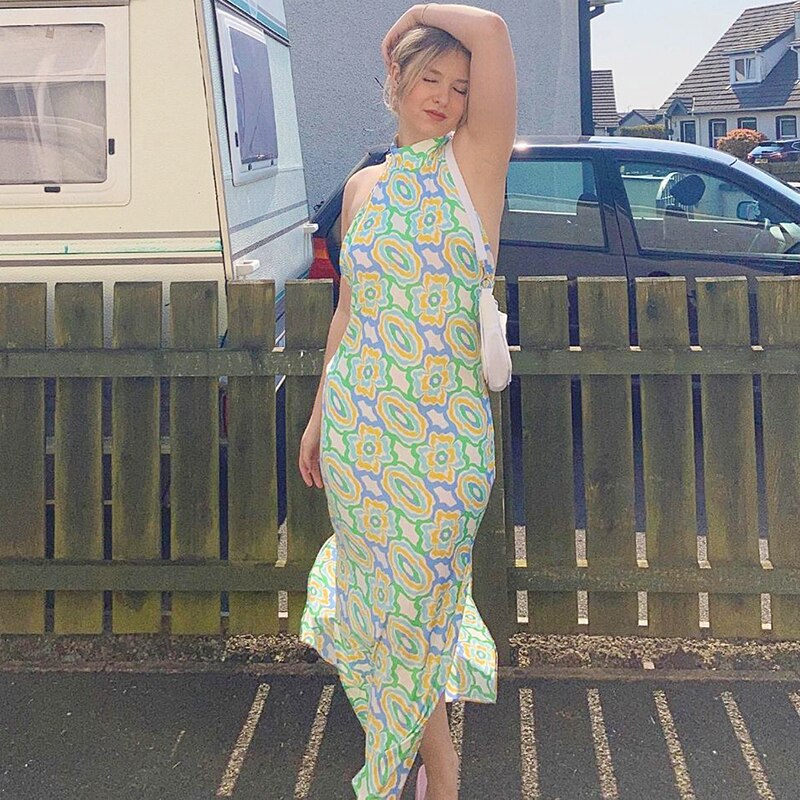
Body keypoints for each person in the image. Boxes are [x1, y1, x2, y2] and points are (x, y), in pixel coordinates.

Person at [297, 4, 517, 798]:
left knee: (421, 608)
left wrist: (416, 16)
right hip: (359, 432)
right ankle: (421, 772)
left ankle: (426, 775)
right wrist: (319, 418)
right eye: (430, 77)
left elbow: (492, 31)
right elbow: (348, 313)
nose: (445, 97)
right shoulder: (362, 187)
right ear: (395, 81)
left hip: (446, 441)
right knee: (381, 614)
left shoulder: (472, 167)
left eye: (459, 87)